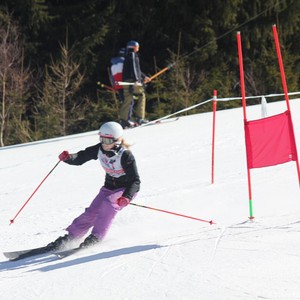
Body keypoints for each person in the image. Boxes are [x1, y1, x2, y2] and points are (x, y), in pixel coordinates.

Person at [45, 121, 141, 251]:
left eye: (107, 141)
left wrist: (126, 197)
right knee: (92, 212)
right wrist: (69, 157)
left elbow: (135, 181)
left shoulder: (125, 155)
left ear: (116, 141)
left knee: (108, 204)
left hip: (124, 190)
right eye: (102, 139)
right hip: (108, 188)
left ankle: (96, 237)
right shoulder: (99, 149)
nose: (104, 144)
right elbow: (81, 157)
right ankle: (71, 236)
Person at [119, 40, 151, 129]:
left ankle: (123, 120)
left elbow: (137, 70)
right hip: (132, 81)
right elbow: (134, 68)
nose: (138, 48)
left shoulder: (127, 56)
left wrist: (144, 77)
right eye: (137, 47)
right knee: (142, 95)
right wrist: (137, 80)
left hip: (126, 80)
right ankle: (140, 118)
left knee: (128, 99)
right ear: (134, 47)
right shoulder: (133, 55)